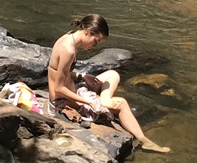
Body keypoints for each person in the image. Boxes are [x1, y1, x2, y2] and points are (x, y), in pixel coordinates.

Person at [47, 14, 169, 153]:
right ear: (87, 32)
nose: (94, 46)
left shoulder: (68, 37)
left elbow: (57, 72)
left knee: (112, 74)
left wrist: (82, 76)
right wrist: (87, 101)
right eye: (96, 41)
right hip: (62, 102)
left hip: (72, 90)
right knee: (121, 103)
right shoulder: (68, 50)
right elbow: (58, 88)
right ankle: (145, 141)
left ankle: (104, 100)